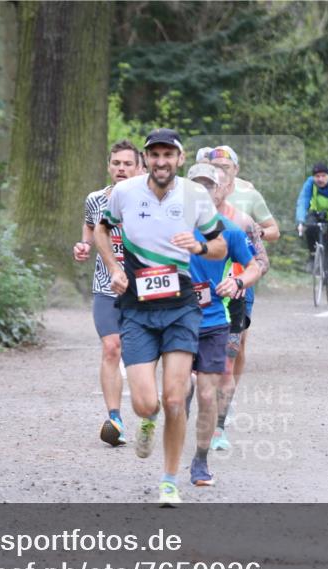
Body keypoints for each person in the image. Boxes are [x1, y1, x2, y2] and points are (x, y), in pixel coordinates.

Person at [95, 128, 227, 507]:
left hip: (181, 308)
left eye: (169, 155)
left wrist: (200, 244)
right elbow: (102, 230)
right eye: (155, 155)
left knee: (174, 398)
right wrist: (114, 267)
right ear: (146, 159)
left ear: (180, 159)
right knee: (145, 404)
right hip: (137, 309)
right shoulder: (124, 193)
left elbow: (219, 246)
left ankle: (169, 481)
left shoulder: (195, 195)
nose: (161, 161)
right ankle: (147, 421)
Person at [184, 163, 262, 486]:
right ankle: (170, 433)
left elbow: (254, 265)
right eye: (195, 186)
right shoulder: (168, 226)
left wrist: (239, 283)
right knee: (176, 394)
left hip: (215, 318)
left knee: (206, 394)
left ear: (219, 191)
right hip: (177, 317)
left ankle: (200, 462)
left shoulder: (230, 229)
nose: (202, 192)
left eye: (208, 186)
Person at [73, 140, 145, 446]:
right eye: (116, 163)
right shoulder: (95, 199)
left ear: (139, 168)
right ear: (109, 166)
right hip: (105, 286)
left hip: (143, 289)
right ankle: (114, 419)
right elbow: (90, 228)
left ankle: (150, 413)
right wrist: (85, 246)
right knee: (111, 348)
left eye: (128, 164)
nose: (122, 169)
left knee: (142, 356)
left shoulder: (149, 200)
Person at [205, 145, 273, 448]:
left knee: (227, 363)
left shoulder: (243, 219)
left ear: (229, 182)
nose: (213, 184)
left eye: (220, 176)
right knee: (191, 369)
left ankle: (219, 428)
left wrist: (240, 280)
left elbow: (262, 262)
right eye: (206, 181)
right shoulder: (182, 215)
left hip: (233, 297)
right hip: (194, 297)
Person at [296, 162, 328, 300]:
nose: (320, 179)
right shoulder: (310, 183)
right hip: (317, 214)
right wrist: (300, 220)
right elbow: (303, 200)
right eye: (317, 176)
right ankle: (313, 255)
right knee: (310, 228)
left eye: (323, 176)